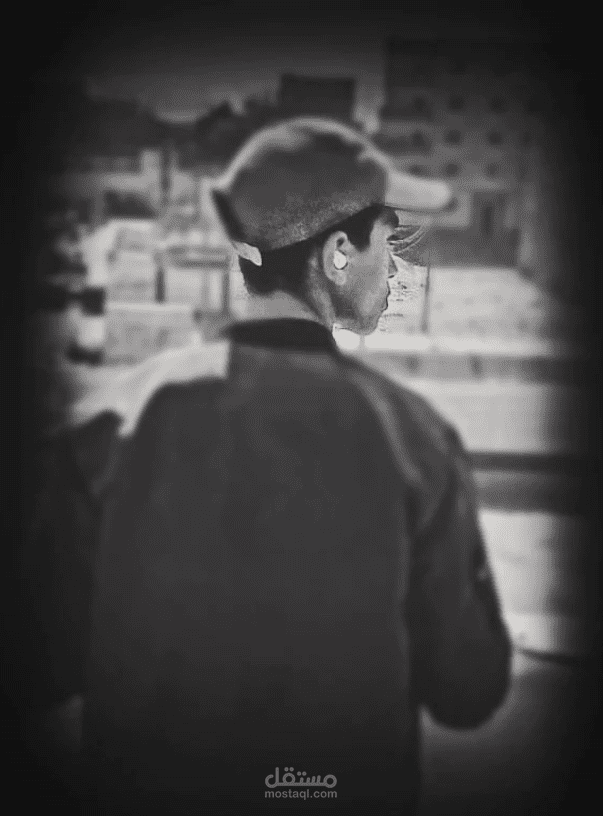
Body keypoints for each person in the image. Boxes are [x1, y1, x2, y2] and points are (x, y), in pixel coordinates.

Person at [20, 118, 511, 815]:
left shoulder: (107, 426)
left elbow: (37, 667)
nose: (396, 267)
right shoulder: (417, 439)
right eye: (389, 241)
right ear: (338, 253)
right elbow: (469, 691)